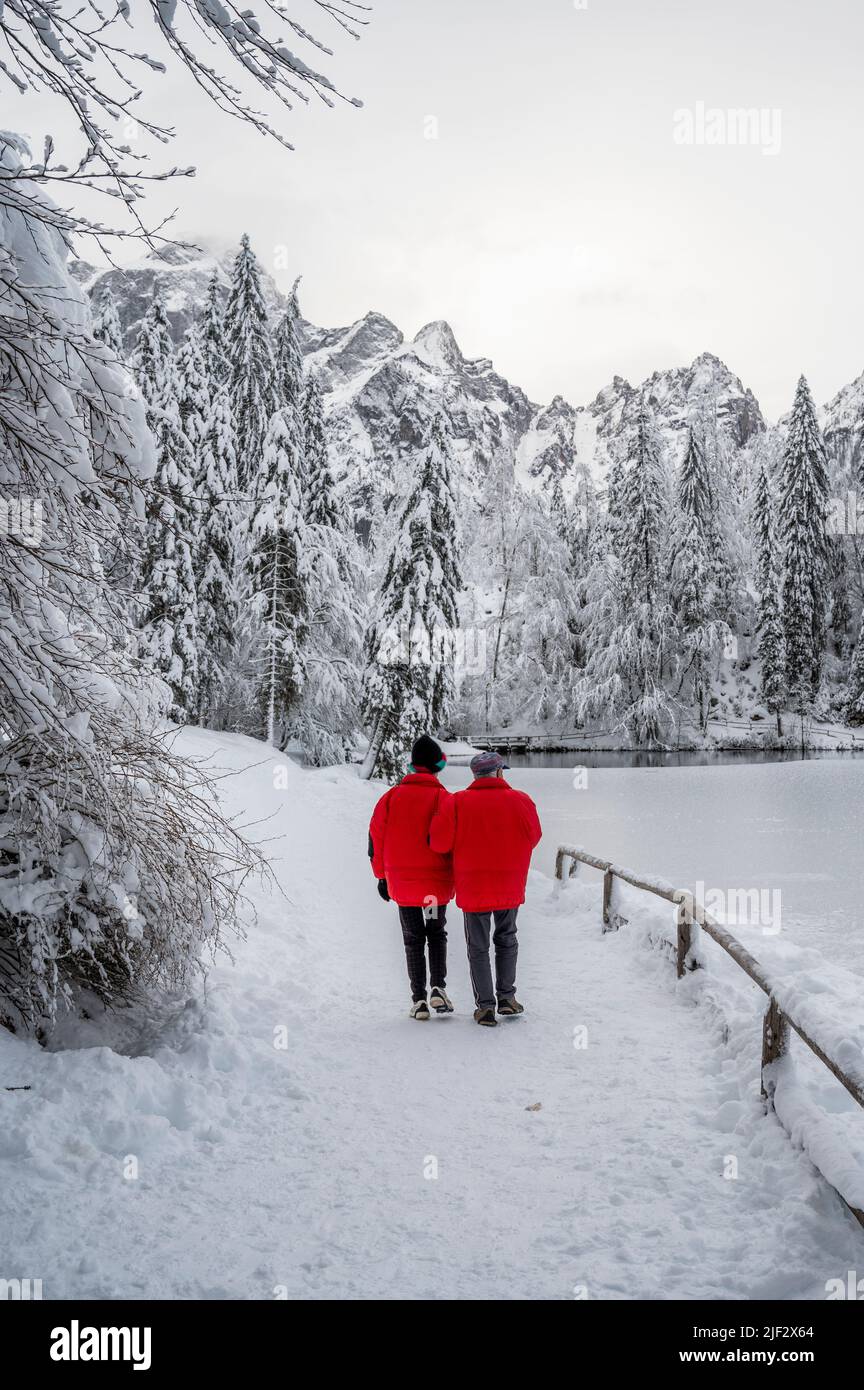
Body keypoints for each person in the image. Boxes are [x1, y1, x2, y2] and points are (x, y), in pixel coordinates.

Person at [430, 750, 541, 1027]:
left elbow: (440, 843)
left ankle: (485, 1007)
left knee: (478, 946)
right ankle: (507, 997)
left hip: (474, 885)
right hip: (508, 883)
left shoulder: (457, 802)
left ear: (474, 774)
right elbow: (534, 836)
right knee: (507, 938)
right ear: (500, 772)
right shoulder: (521, 800)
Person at [368, 735, 455, 1020]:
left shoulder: (391, 797)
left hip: (403, 886)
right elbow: (451, 841)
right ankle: (438, 988)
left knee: (413, 938)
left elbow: (375, 839)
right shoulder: (443, 798)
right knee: (435, 933)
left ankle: (418, 1000)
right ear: (436, 765)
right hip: (432, 888)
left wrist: (381, 876)